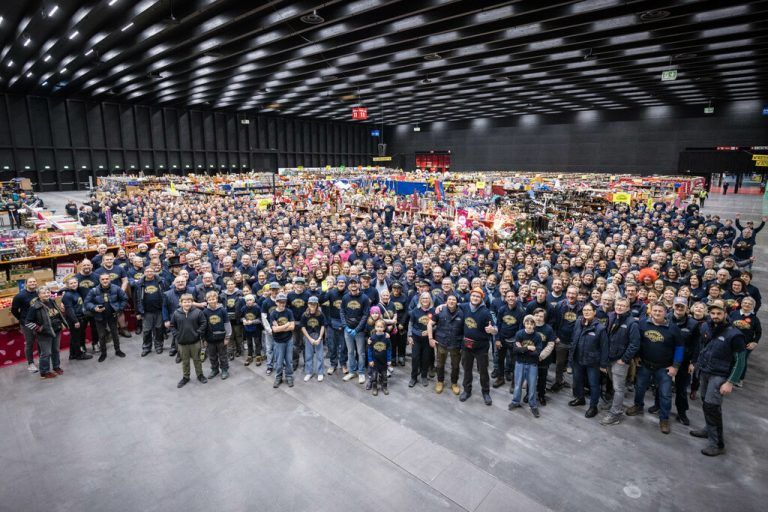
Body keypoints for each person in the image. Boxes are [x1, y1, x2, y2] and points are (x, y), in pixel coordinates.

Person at [689, 299, 746, 456]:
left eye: (718, 313)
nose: (715, 316)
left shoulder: (735, 335)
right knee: (706, 403)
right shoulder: (706, 326)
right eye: (712, 313)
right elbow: (701, 346)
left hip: (719, 375)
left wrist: (730, 382)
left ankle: (717, 444)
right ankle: (708, 429)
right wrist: (696, 363)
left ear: (725, 314)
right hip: (705, 371)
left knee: (712, 407)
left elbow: (740, 360)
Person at [626, 302, 684, 434]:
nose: (657, 313)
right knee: (640, 388)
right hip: (645, 364)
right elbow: (637, 341)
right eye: (655, 311)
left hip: (664, 368)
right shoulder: (643, 323)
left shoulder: (673, 328)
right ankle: (638, 406)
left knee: (665, 394)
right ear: (650, 311)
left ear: (666, 312)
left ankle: (664, 418)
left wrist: (675, 366)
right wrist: (636, 356)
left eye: (660, 311)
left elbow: (680, 348)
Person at [600, 297, 640, 426]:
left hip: (620, 360)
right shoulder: (611, 316)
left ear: (628, 308)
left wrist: (624, 359)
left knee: (619, 388)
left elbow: (634, 344)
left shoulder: (631, 323)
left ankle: (616, 413)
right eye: (618, 305)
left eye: (623, 305)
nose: (619, 307)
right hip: (609, 357)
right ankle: (614, 404)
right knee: (613, 383)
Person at [568, 302, 609, 419]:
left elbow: (605, 347)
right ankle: (580, 398)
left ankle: (593, 406)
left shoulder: (600, 328)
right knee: (578, 380)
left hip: (593, 362)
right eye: (584, 310)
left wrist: (603, 364)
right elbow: (574, 339)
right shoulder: (578, 322)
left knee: (593, 384)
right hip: (577, 359)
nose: (586, 312)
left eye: (589, 310)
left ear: (594, 312)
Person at [458, 288, 497, 406]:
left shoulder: (486, 312)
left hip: (481, 347)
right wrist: (441, 306)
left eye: (478, 297)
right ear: (470, 296)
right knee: (467, 369)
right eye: (473, 296)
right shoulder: (464, 306)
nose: (475, 298)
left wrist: (492, 330)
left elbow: (495, 329)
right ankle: (467, 390)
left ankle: (486, 392)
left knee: (483, 371)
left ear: (481, 298)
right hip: (466, 346)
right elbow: (452, 303)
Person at [25, 286, 67, 380]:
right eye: (43, 293)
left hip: (56, 330)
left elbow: (57, 313)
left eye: (48, 292)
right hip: (44, 334)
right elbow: (27, 322)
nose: (46, 294)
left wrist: (62, 323)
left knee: (56, 350)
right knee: (46, 353)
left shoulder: (52, 301)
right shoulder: (35, 306)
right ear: (39, 295)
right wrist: (39, 329)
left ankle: (56, 366)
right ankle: (44, 372)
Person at [85, 273, 129, 362]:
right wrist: (94, 308)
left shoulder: (116, 288)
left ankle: (118, 350)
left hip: (112, 315)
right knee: (101, 336)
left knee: (115, 334)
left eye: (107, 279)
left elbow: (124, 298)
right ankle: (103, 353)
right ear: (100, 280)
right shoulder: (93, 290)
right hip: (99, 316)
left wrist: (119, 309)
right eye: (103, 279)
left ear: (110, 279)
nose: (105, 281)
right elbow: (87, 303)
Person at [428, 293, 463, 395]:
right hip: (441, 342)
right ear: (446, 301)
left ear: (457, 302)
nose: (451, 301)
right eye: (449, 299)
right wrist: (430, 338)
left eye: (454, 300)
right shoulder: (440, 311)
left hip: (456, 344)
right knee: (440, 364)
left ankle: (454, 383)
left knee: (455, 366)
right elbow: (430, 324)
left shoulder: (462, 312)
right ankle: (440, 381)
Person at [509, 315, 543, 417]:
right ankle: (515, 401)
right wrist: (528, 348)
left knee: (532, 386)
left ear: (534, 325)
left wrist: (522, 349)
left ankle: (533, 405)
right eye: (527, 323)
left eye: (531, 324)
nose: (529, 326)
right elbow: (515, 350)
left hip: (532, 364)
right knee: (518, 384)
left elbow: (538, 352)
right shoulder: (519, 334)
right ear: (524, 324)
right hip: (520, 363)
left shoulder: (537, 336)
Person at [171, 294, 208, 388]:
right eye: (184, 302)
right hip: (182, 342)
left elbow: (204, 323)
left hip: (195, 342)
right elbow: (172, 326)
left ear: (192, 302)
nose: (187, 303)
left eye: (189, 301)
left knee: (197, 359)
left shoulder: (198, 312)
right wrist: (177, 335)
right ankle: (186, 377)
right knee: (185, 361)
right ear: (181, 303)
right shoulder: (176, 313)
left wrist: (198, 333)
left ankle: (200, 375)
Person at [340, 276, 371, 385]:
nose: (353, 285)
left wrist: (357, 329)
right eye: (351, 283)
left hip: (359, 331)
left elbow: (366, 315)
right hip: (347, 330)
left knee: (361, 352)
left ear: (359, 284)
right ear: (349, 285)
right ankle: (352, 371)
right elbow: (342, 312)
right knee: (350, 352)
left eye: (355, 283)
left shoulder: (364, 298)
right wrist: (345, 326)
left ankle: (361, 372)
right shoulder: (345, 297)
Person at [135, 266, 166, 356]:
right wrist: (138, 312)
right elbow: (136, 298)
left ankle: (159, 346)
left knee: (159, 329)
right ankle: (146, 347)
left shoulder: (160, 281)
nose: (149, 273)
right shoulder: (140, 283)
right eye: (147, 271)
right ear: (144, 273)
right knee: (147, 331)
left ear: (154, 272)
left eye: (151, 271)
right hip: (146, 312)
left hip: (159, 310)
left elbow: (165, 294)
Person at [729, 296, 760, 386]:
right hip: (730, 341)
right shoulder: (733, 313)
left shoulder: (754, 319)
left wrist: (754, 342)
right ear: (741, 304)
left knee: (741, 361)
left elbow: (758, 332)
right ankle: (727, 376)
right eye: (745, 303)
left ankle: (739, 379)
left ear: (753, 306)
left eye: (750, 304)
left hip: (745, 344)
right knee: (729, 359)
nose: (747, 305)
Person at [11, 277, 40, 372]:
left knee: (41, 341)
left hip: (39, 322)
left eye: (34, 281)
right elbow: (14, 310)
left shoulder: (39, 292)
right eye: (30, 282)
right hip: (27, 324)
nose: (33, 283)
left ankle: (42, 359)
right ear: (26, 284)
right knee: (30, 343)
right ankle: (31, 363)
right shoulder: (19, 296)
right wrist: (22, 319)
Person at [202, 291, 231, 380]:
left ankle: (224, 369)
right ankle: (215, 369)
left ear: (217, 299)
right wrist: (204, 339)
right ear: (207, 300)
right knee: (212, 355)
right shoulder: (205, 311)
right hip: (210, 338)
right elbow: (204, 326)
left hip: (221, 338)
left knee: (223, 355)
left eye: (213, 299)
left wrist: (227, 337)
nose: (212, 301)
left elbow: (227, 323)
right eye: (209, 299)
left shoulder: (222, 310)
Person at [61, 276, 92, 360]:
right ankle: (79, 355)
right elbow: (69, 310)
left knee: (74, 337)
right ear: (67, 285)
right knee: (77, 338)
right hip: (74, 319)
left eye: (75, 283)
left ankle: (72, 354)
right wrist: (75, 321)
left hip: (80, 317)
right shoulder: (67, 295)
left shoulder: (76, 291)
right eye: (71, 283)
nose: (74, 284)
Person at [408, 292, 434, 388]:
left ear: (430, 300)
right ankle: (413, 377)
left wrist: (429, 331)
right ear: (420, 300)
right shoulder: (415, 310)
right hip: (416, 337)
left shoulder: (433, 311)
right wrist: (409, 335)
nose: (425, 300)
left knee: (426, 358)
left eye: (427, 298)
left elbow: (437, 325)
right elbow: (410, 323)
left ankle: (424, 376)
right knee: (415, 358)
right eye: (423, 298)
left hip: (427, 339)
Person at [270, 293, 295, 388]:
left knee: (289, 361)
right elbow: (274, 330)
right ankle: (278, 377)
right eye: (280, 302)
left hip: (288, 340)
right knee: (279, 362)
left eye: (284, 302)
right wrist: (286, 325)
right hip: (278, 341)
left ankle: (289, 376)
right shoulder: (273, 314)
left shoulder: (289, 312)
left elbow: (292, 327)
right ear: (276, 302)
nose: (282, 304)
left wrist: (280, 327)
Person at [301, 295, 326, 382]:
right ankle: (309, 372)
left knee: (319, 356)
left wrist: (320, 337)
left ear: (317, 305)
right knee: (308, 355)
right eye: (311, 304)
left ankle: (320, 373)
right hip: (309, 336)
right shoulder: (304, 315)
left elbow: (323, 326)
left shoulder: (320, 314)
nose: (312, 306)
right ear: (308, 304)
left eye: (314, 304)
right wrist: (309, 338)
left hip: (318, 335)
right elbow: (303, 327)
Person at [367, 319, 391, 396]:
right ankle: (374, 388)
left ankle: (384, 387)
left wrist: (389, 359)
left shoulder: (386, 337)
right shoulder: (372, 338)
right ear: (375, 327)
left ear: (384, 328)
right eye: (378, 326)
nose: (379, 328)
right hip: (375, 361)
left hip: (383, 361)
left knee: (384, 376)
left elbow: (389, 349)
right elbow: (370, 350)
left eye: (381, 327)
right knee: (374, 376)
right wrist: (370, 360)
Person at [240, 294, 262, 366]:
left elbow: (260, 319)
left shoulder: (257, 308)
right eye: (247, 300)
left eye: (250, 300)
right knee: (249, 342)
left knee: (257, 342)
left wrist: (252, 322)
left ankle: (258, 355)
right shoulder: (243, 308)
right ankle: (250, 355)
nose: (249, 302)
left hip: (256, 328)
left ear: (253, 300)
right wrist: (244, 320)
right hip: (247, 328)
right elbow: (241, 317)